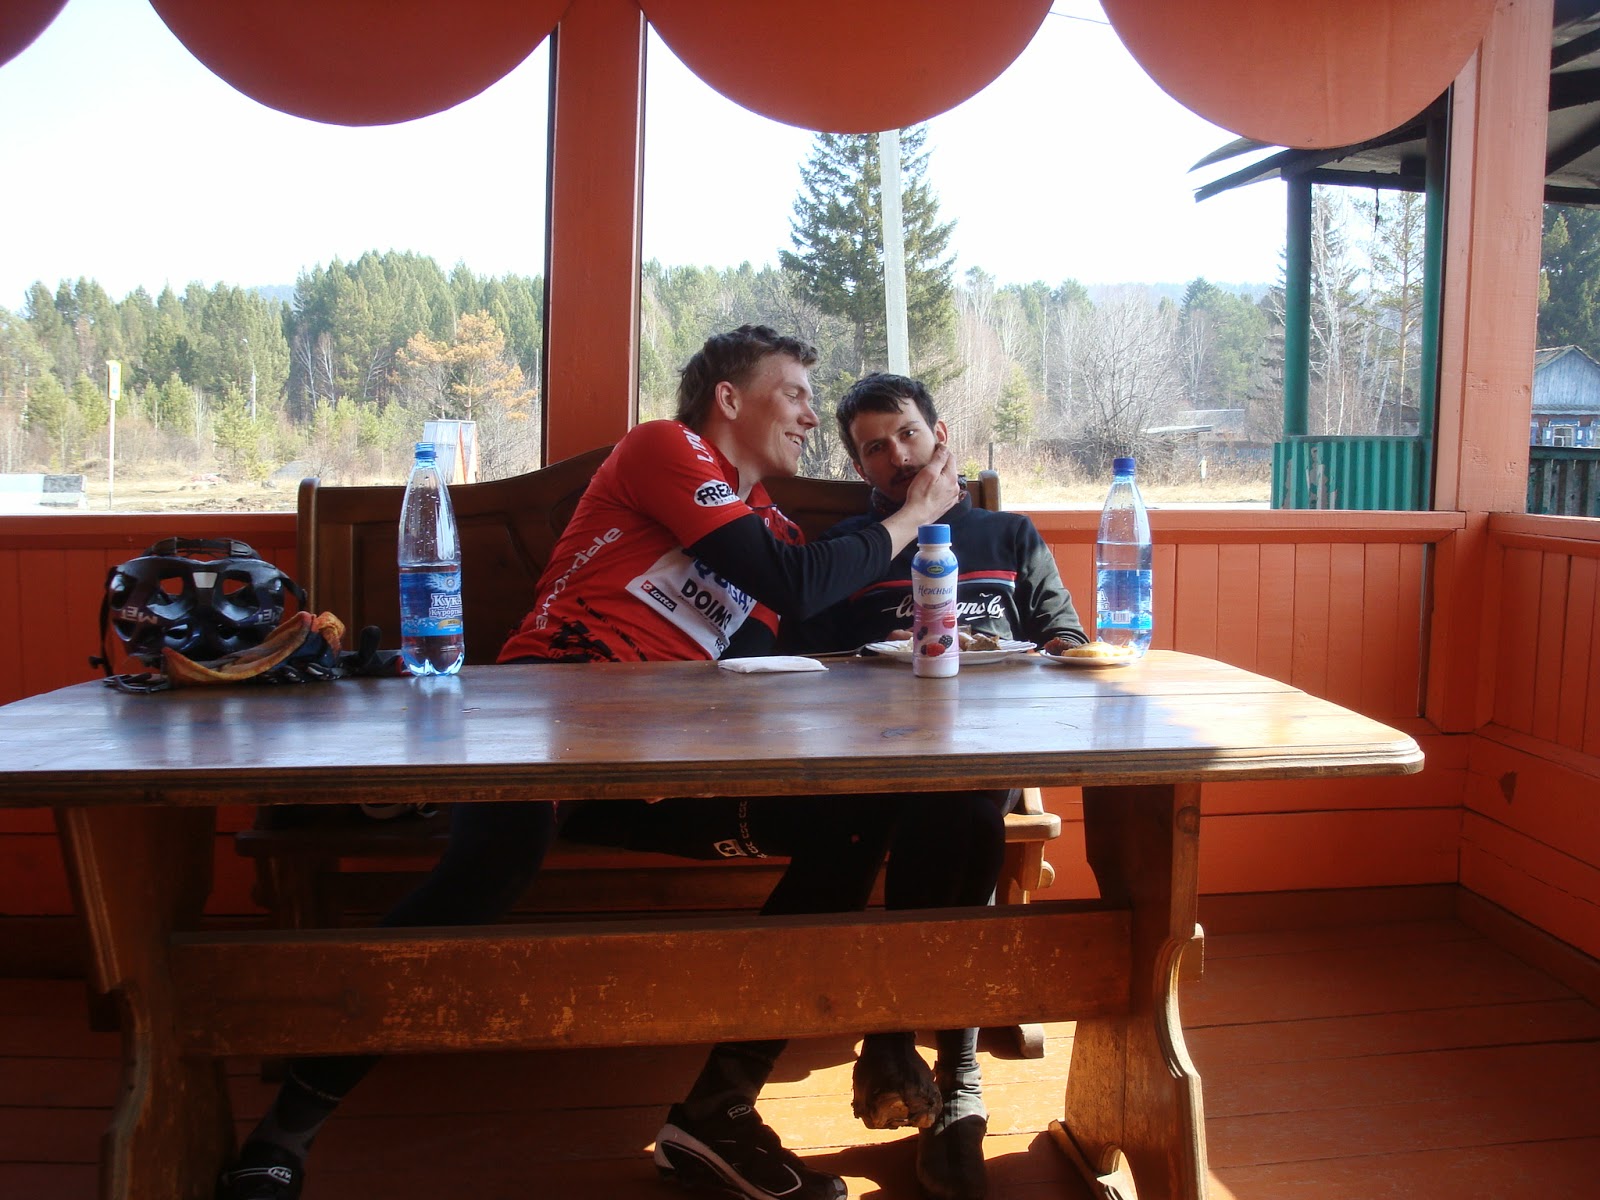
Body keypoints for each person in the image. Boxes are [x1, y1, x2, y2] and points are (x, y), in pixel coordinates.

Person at [216, 326, 963, 1200]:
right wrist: (913, 517)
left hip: (654, 765)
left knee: (854, 817)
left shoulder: (774, 527)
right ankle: (284, 1135)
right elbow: (792, 582)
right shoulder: (665, 448)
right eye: (794, 392)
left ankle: (715, 1114)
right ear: (729, 399)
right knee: (488, 870)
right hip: (549, 717)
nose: (808, 413)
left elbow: (785, 627)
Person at [770, 371, 1089, 1200]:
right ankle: (953, 1073)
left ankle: (905, 1038)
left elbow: (1063, 635)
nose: (897, 455)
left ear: (939, 435)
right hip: (872, 755)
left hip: (984, 748)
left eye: (908, 434)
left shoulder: (1010, 534)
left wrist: (1059, 656)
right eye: (875, 448)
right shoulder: (852, 548)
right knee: (946, 815)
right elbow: (807, 663)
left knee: (962, 807)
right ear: (860, 468)